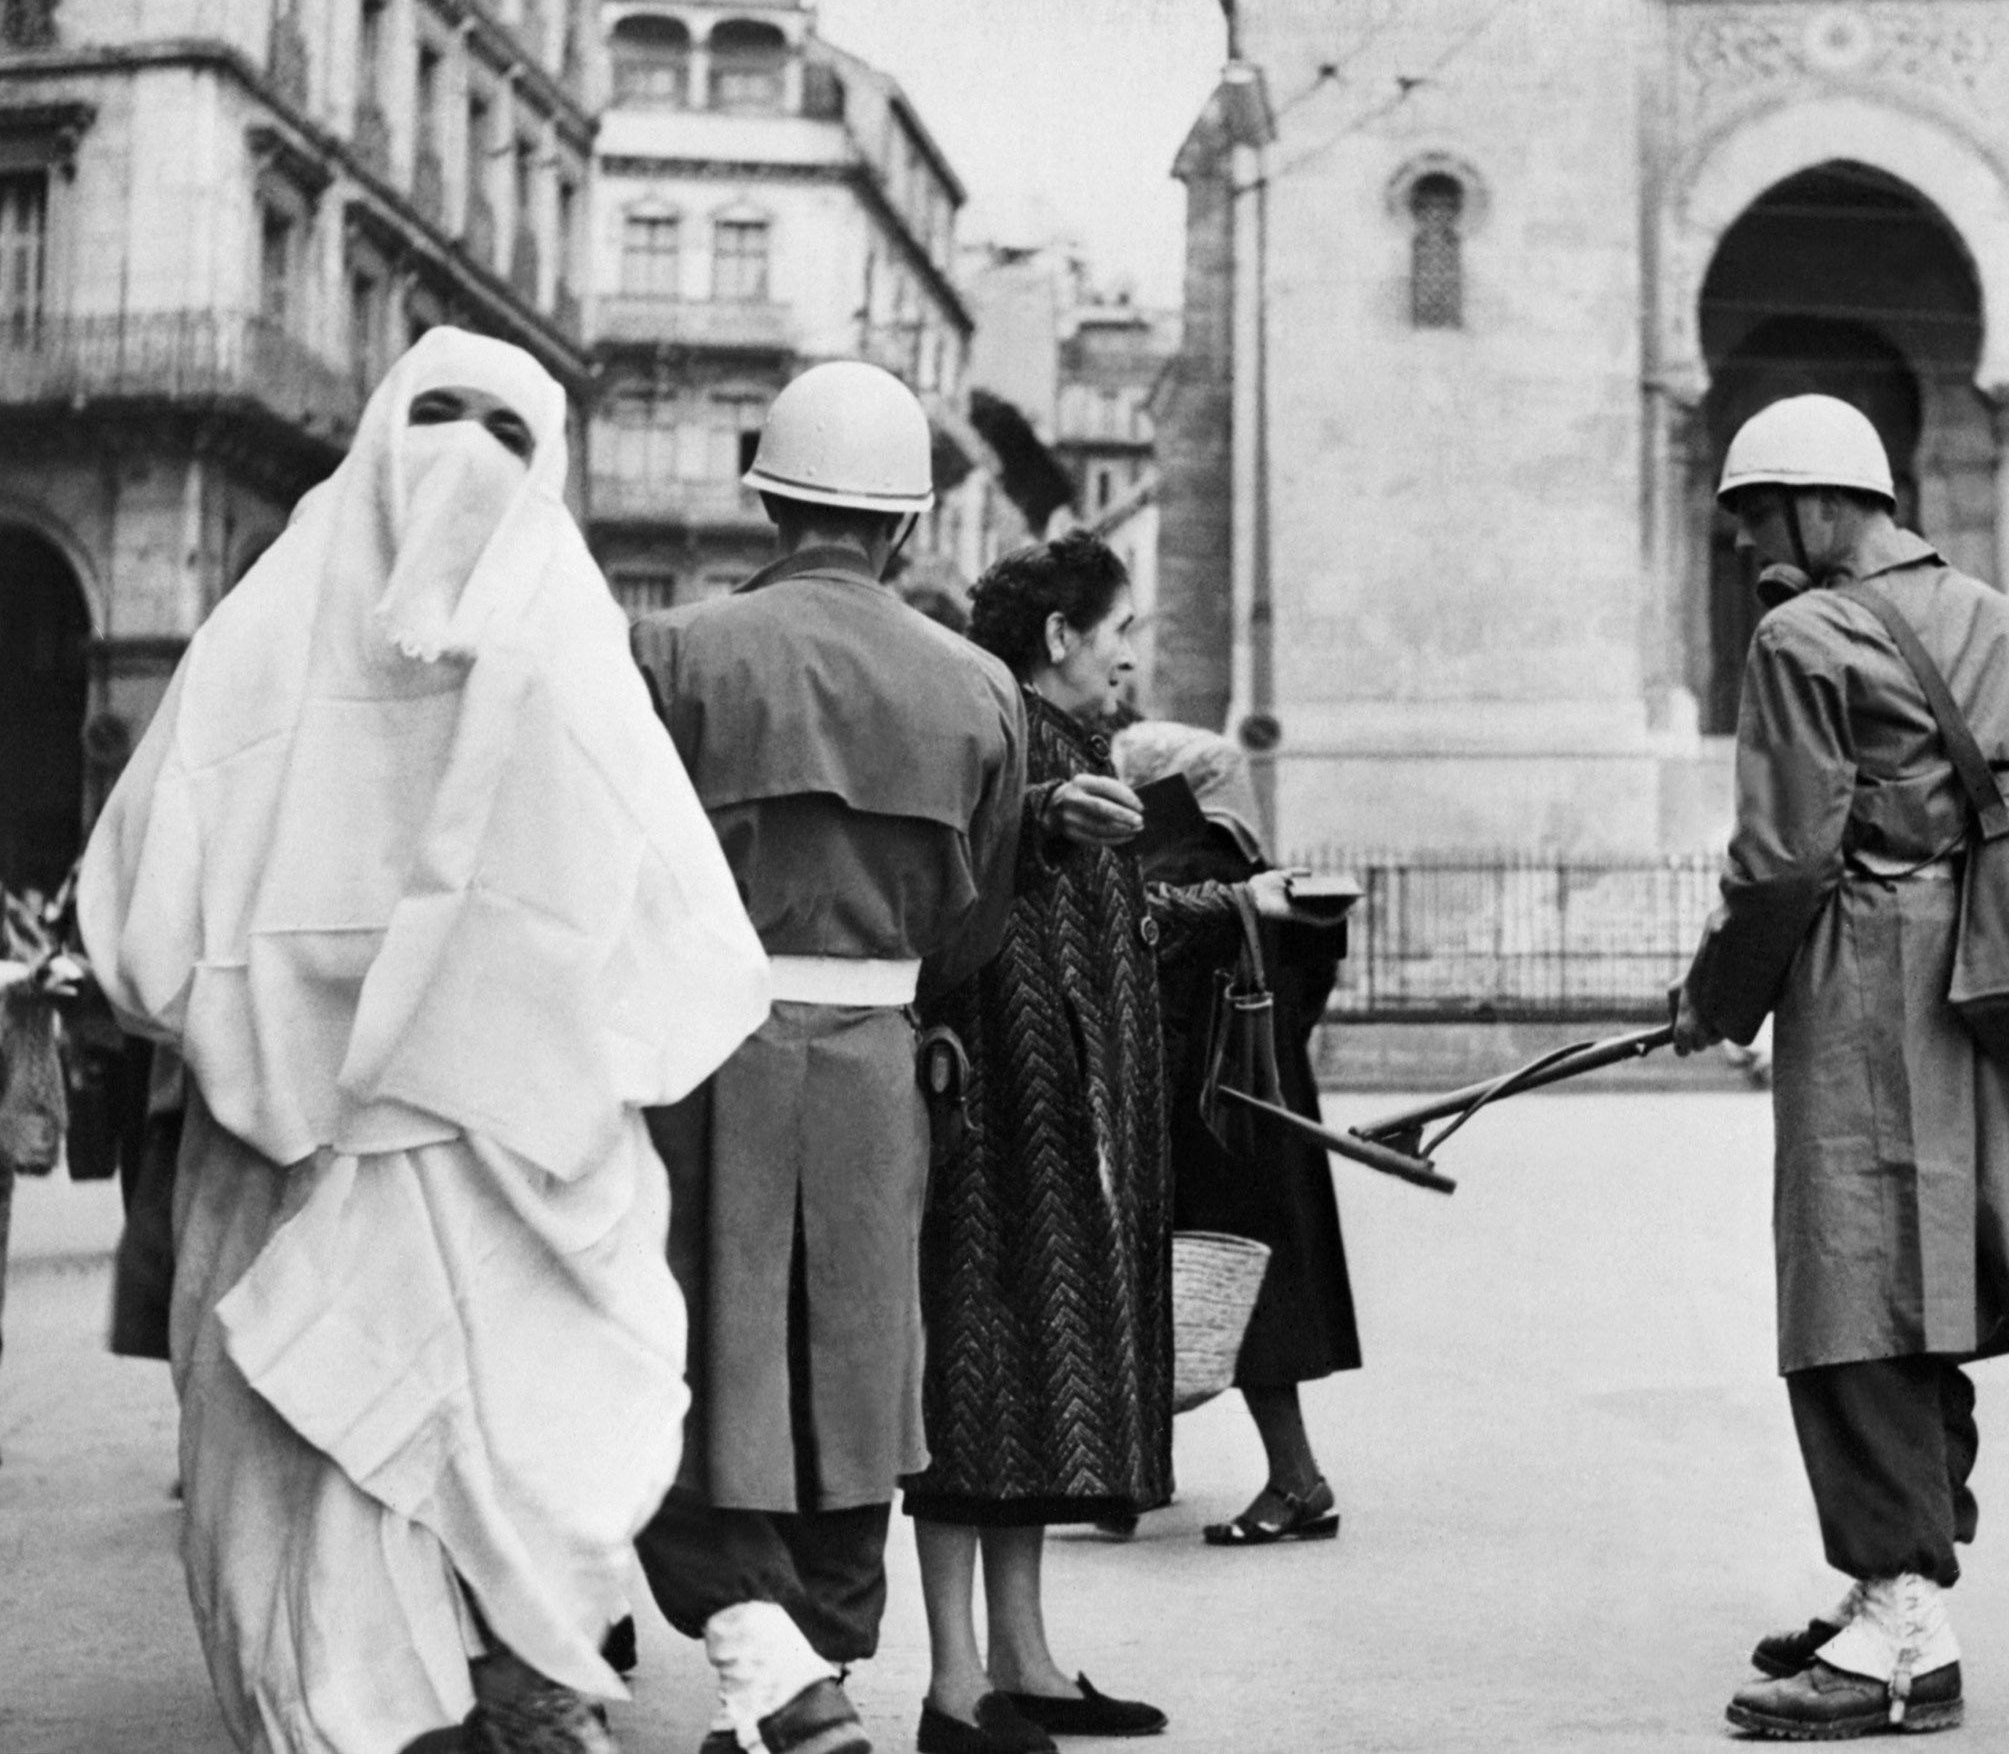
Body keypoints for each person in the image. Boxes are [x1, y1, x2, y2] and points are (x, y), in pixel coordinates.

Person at [74, 328, 773, 1754]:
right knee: (309, 1499)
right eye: (434, 412)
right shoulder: (273, 625)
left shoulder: (562, 635)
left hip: (497, 1154)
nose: (460, 456)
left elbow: (658, 909)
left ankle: (505, 1689)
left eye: (500, 429)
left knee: (508, 1459)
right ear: (383, 422)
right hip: (300, 1164)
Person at [1669, 395, 2009, 1741]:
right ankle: (1896, 1579)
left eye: (1757, 517)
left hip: (1866, 989)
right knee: (1931, 1289)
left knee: (1851, 1290)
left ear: (1812, 503)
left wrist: (1713, 997)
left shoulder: (1803, 632)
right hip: (1986, 985)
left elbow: (1783, 860)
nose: (1755, 544)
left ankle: (1902, 1627)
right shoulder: (2006, 619)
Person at [627, 360, 1029, 1754]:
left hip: (703, 1054)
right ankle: (813, 1664)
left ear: (769, 500)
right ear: (909, 524)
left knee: (702, 1353)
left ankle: (767, 1665)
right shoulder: (978, 683)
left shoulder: (672, 654)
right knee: (858, 1372)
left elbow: (618, 879)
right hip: (876, 1055)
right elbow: (977, 918)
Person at [908, 535, 1315, 1754]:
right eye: (1118, 629)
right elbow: (952, 862)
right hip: (993, 1110)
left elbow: (1110, 915)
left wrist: (1241, 906)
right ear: (1058, 639)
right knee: (974, 1380)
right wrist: (1035, 819)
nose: (1130, 654)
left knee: (1028, 1383)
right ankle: (952, 1687)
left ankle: (1022, 1664)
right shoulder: (996, 731)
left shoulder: (1080, 746)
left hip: (1063, 1116)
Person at [1113, 720, 1363, 1546]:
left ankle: (1296, 1480)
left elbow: (1154, 997)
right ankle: (1136, 1476)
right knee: (1211, 1287)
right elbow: (1314, 970)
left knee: (1221, 1289)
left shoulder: (1179, 867)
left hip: (1207, 1115)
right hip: (1260, 1101)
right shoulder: (1249, 869)